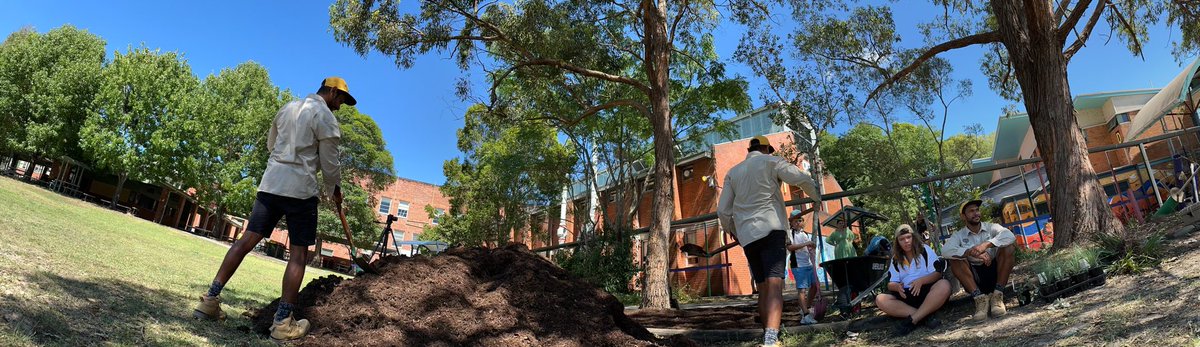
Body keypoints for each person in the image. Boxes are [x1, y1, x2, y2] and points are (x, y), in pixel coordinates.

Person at [193, 77, 355, 341]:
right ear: (332, 92)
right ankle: (282, 323)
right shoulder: (325, 117)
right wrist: (334, 189)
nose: (340, 106)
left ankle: (209, 300)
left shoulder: (288, 108)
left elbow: (272, 145)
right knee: (299, 254)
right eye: (340, 100)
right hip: (300, 190)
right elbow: (329, 164)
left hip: (271, 184)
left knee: (246, 240)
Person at [717, 135, 821, 347]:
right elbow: (800, 178)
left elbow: (722, 210)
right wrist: (816, 196)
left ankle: (768, 334)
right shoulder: (771, 161)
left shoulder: (733, 172)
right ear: (766, 148)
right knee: (775, 285)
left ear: (750, 149)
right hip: (772, 229)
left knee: (762, 287)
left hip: (748, 235)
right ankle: (771, 340)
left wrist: (733, 230)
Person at [941, 199, 1016, 322]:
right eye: (971, 211)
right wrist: (970, 251)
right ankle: (980, 300)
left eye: (977, 210)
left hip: (995, 272)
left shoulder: (991, 227)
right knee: (954, 259)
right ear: (963, 216)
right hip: (974, 278)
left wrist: (985, 245)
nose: (976, 213)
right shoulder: (959, 235)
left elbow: (1009, 236)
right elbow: (946, 251)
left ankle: (997, 296)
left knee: (1009, 247)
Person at [875, 224, 950, 336]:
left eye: (908, 237)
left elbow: (937, 274)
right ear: (897, 242)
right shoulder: (896, 259)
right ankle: (924, 316)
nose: (906, 241)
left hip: (927, 292)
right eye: (902, 239)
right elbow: (891, 283)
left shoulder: (924, 250)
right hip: (907, 295)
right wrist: (896, 287)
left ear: (913, 237)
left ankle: (912, 321)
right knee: (880, 299)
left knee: (944, 285)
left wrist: (921, 281)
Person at [786, 210, 819, 325]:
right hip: (798, 266)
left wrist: (812, 247)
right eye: (795, 220)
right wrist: (806, 244)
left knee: (815, 286)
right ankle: (805, 315)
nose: (798, 222)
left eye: (800, 220)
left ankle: (806, 308)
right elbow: (790, 247)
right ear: (792, 222)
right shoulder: (790, 233)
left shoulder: (805, 233)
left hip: (808, 264)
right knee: (802, 290)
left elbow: (808, 247)